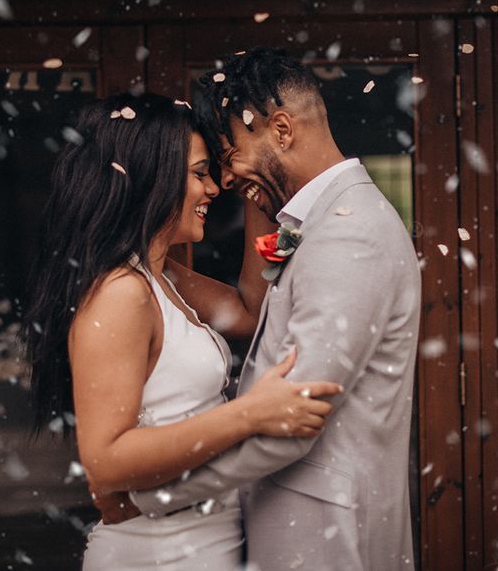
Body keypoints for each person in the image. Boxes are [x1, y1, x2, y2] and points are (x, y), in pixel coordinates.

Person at [124, 49, 422, 570]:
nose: (226, 178)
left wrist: (158, 495)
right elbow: (255, 314)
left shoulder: (348, 233)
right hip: (307, 518)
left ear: (281, 129)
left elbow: (296, 418)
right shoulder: (324, 221)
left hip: (322, 530)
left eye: (228, 152)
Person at [20, 92, 342, 570]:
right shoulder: (120, 293)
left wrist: (254, 187)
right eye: (198, 174)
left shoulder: (161, 275)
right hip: (158, 553)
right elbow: (105, 460)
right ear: (150, 177)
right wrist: (251, 415)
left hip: (203, 541)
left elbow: (248, 312)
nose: (213, 188)